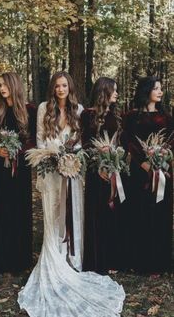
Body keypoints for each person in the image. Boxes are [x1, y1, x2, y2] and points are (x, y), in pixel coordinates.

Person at [18, 71, 125, 317]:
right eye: (57, 85)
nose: (61, 89)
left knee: (73, 214)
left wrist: (71, 157)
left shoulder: (79, 110)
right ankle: (54, 260)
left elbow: (81, 142)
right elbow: (39, 141)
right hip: (50, 171)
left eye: (64, 85)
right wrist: (53, 156)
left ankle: (73, 260)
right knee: (53, 214)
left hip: (72, 172)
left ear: (70, 87)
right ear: (53, 89)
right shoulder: (44, 108)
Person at [122, 76, 173, 274]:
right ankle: (139, 260)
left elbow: (171, 140)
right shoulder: (131, 116)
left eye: (161, 88)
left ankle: (159, 261)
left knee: (160, 214)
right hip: (139, 173)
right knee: (139, 213)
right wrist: (144, 163)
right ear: (146, 91)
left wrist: (161, 159)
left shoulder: (167, 117)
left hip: (162, 172)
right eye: (156, 88)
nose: (160, 92)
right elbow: (128, 141)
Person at [81, 77, 129, 274]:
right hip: (95, 172)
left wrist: (114, 162)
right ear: (104, 91)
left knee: (113, 213)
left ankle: (111, 259)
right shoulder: (87, 115)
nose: (117, 94)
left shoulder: (117, 117)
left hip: (114, 172)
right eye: (114, 90)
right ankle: (95, 260)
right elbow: (85, 143)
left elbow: (121, 144)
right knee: (97, 213)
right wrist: (98, 163)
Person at [0, 72, 36, 275]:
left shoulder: (29, 111)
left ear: (14, 85)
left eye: (5, 85)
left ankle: (20, 259)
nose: (1, 88)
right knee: (2, 209)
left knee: (20, 208)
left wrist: (18, 150)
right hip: (0, 167)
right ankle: (2, 259)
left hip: (21, 168)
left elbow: (34, 140)